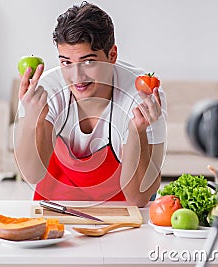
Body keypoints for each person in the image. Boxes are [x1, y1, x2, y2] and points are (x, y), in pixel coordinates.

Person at [15, 2, 167, 207]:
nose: (76, 77)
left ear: (112, 55)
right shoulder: (46, 89)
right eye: (66, 62)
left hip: (121, 208)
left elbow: (139, 198)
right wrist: (33, 120)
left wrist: (136, 132)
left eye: (88, 62)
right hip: (57, 205)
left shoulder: (142, 95)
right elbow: (32, 174)